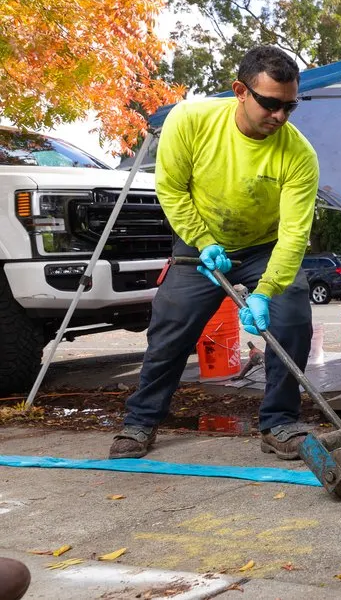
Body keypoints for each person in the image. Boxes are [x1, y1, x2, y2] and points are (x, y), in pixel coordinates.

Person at [109, 45, 319, 461]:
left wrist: (266, 291)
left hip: (264, 246)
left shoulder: (299, 155)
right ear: (240, 91)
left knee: (292, 313)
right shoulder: (190, 120)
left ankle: (279, 422)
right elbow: (171, 189)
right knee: (171, 326)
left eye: (290, 107)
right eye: (271, 104)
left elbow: (294, 235)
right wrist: (204, 243)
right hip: (198, 241)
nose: (279, 116)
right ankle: (140, 422)